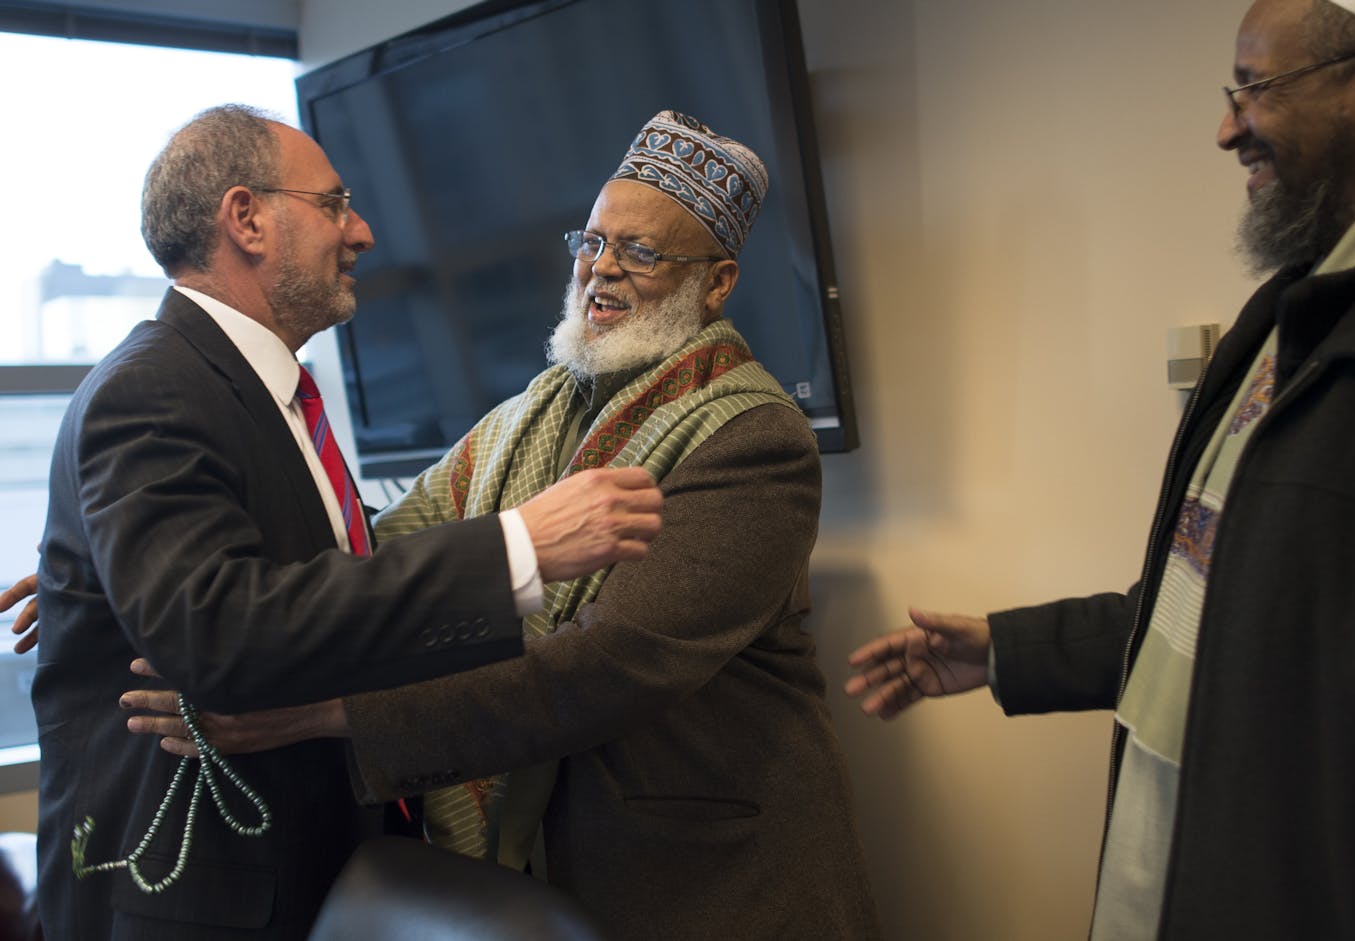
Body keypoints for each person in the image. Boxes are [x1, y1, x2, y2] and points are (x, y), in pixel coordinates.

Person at [124, 110, 881, 941]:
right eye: (591, 242)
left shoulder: (753, 439)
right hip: (547, 876)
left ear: (718, 281)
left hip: (707, 886)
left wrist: (320, 711)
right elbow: (375, 547)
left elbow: (599, 669)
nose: (601, 272)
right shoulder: (530, 413)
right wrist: (162, 558)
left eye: (642, 252)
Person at [845, 0, 1355, 938]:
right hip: (1182, 847)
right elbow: (1223, 608)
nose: (1228, 127)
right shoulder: (1287, 314)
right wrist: (1005, 651)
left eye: (1255, 89)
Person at [31, 104, 662, 941]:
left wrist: (111, 574)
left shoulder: (259, 391)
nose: (360, 231)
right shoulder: (151, 389)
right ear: (245, 218)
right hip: (207, 901)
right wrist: (518, 544)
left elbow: (314, 560)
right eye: (333, 204)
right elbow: (214, 627)